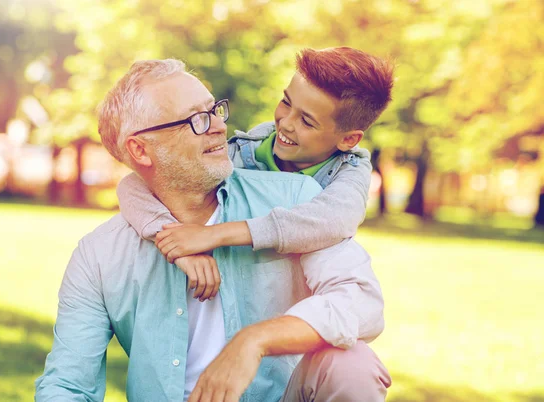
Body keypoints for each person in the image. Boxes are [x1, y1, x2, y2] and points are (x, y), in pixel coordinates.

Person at [35, 59, 391, 402]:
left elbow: (362, 303)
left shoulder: (298, 198)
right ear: (140, 150)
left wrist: (255, 340)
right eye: (197, 120)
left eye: (214, 111)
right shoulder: (100, 254)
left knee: (351, 364)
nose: (221, 127)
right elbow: (68, 385)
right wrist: (169, 236)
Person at [116, 47, 394, 301]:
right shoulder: (242, 153)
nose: (285, 123)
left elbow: (333, 221)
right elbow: (133, 187)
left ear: (348, 140)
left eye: (306, 121)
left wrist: (215, 234)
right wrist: (176, 243)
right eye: (286, 103)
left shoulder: (350, 170)